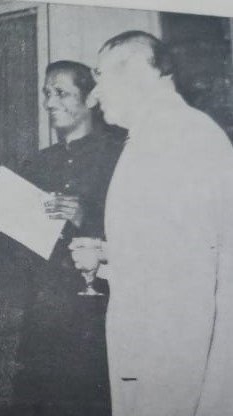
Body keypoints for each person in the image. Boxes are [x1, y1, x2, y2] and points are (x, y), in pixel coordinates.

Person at [70, 31, 233, 416]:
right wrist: (108, 255)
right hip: (150, 344)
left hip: (171, 356)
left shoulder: (182, 137)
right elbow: (165, 246)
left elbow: (190, 282)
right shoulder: (153, 135)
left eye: (100, 77)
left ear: (139, 72)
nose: (93, 95)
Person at [7, 61, 123, 415]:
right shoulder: (37, 163)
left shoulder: (117, 156)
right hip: (45, 313)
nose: (49, 102)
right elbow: (17, 252)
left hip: (98, 316)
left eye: (61, 93)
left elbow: (140, 232)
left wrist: (83, 217)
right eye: (46, 93)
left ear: (90, 99)